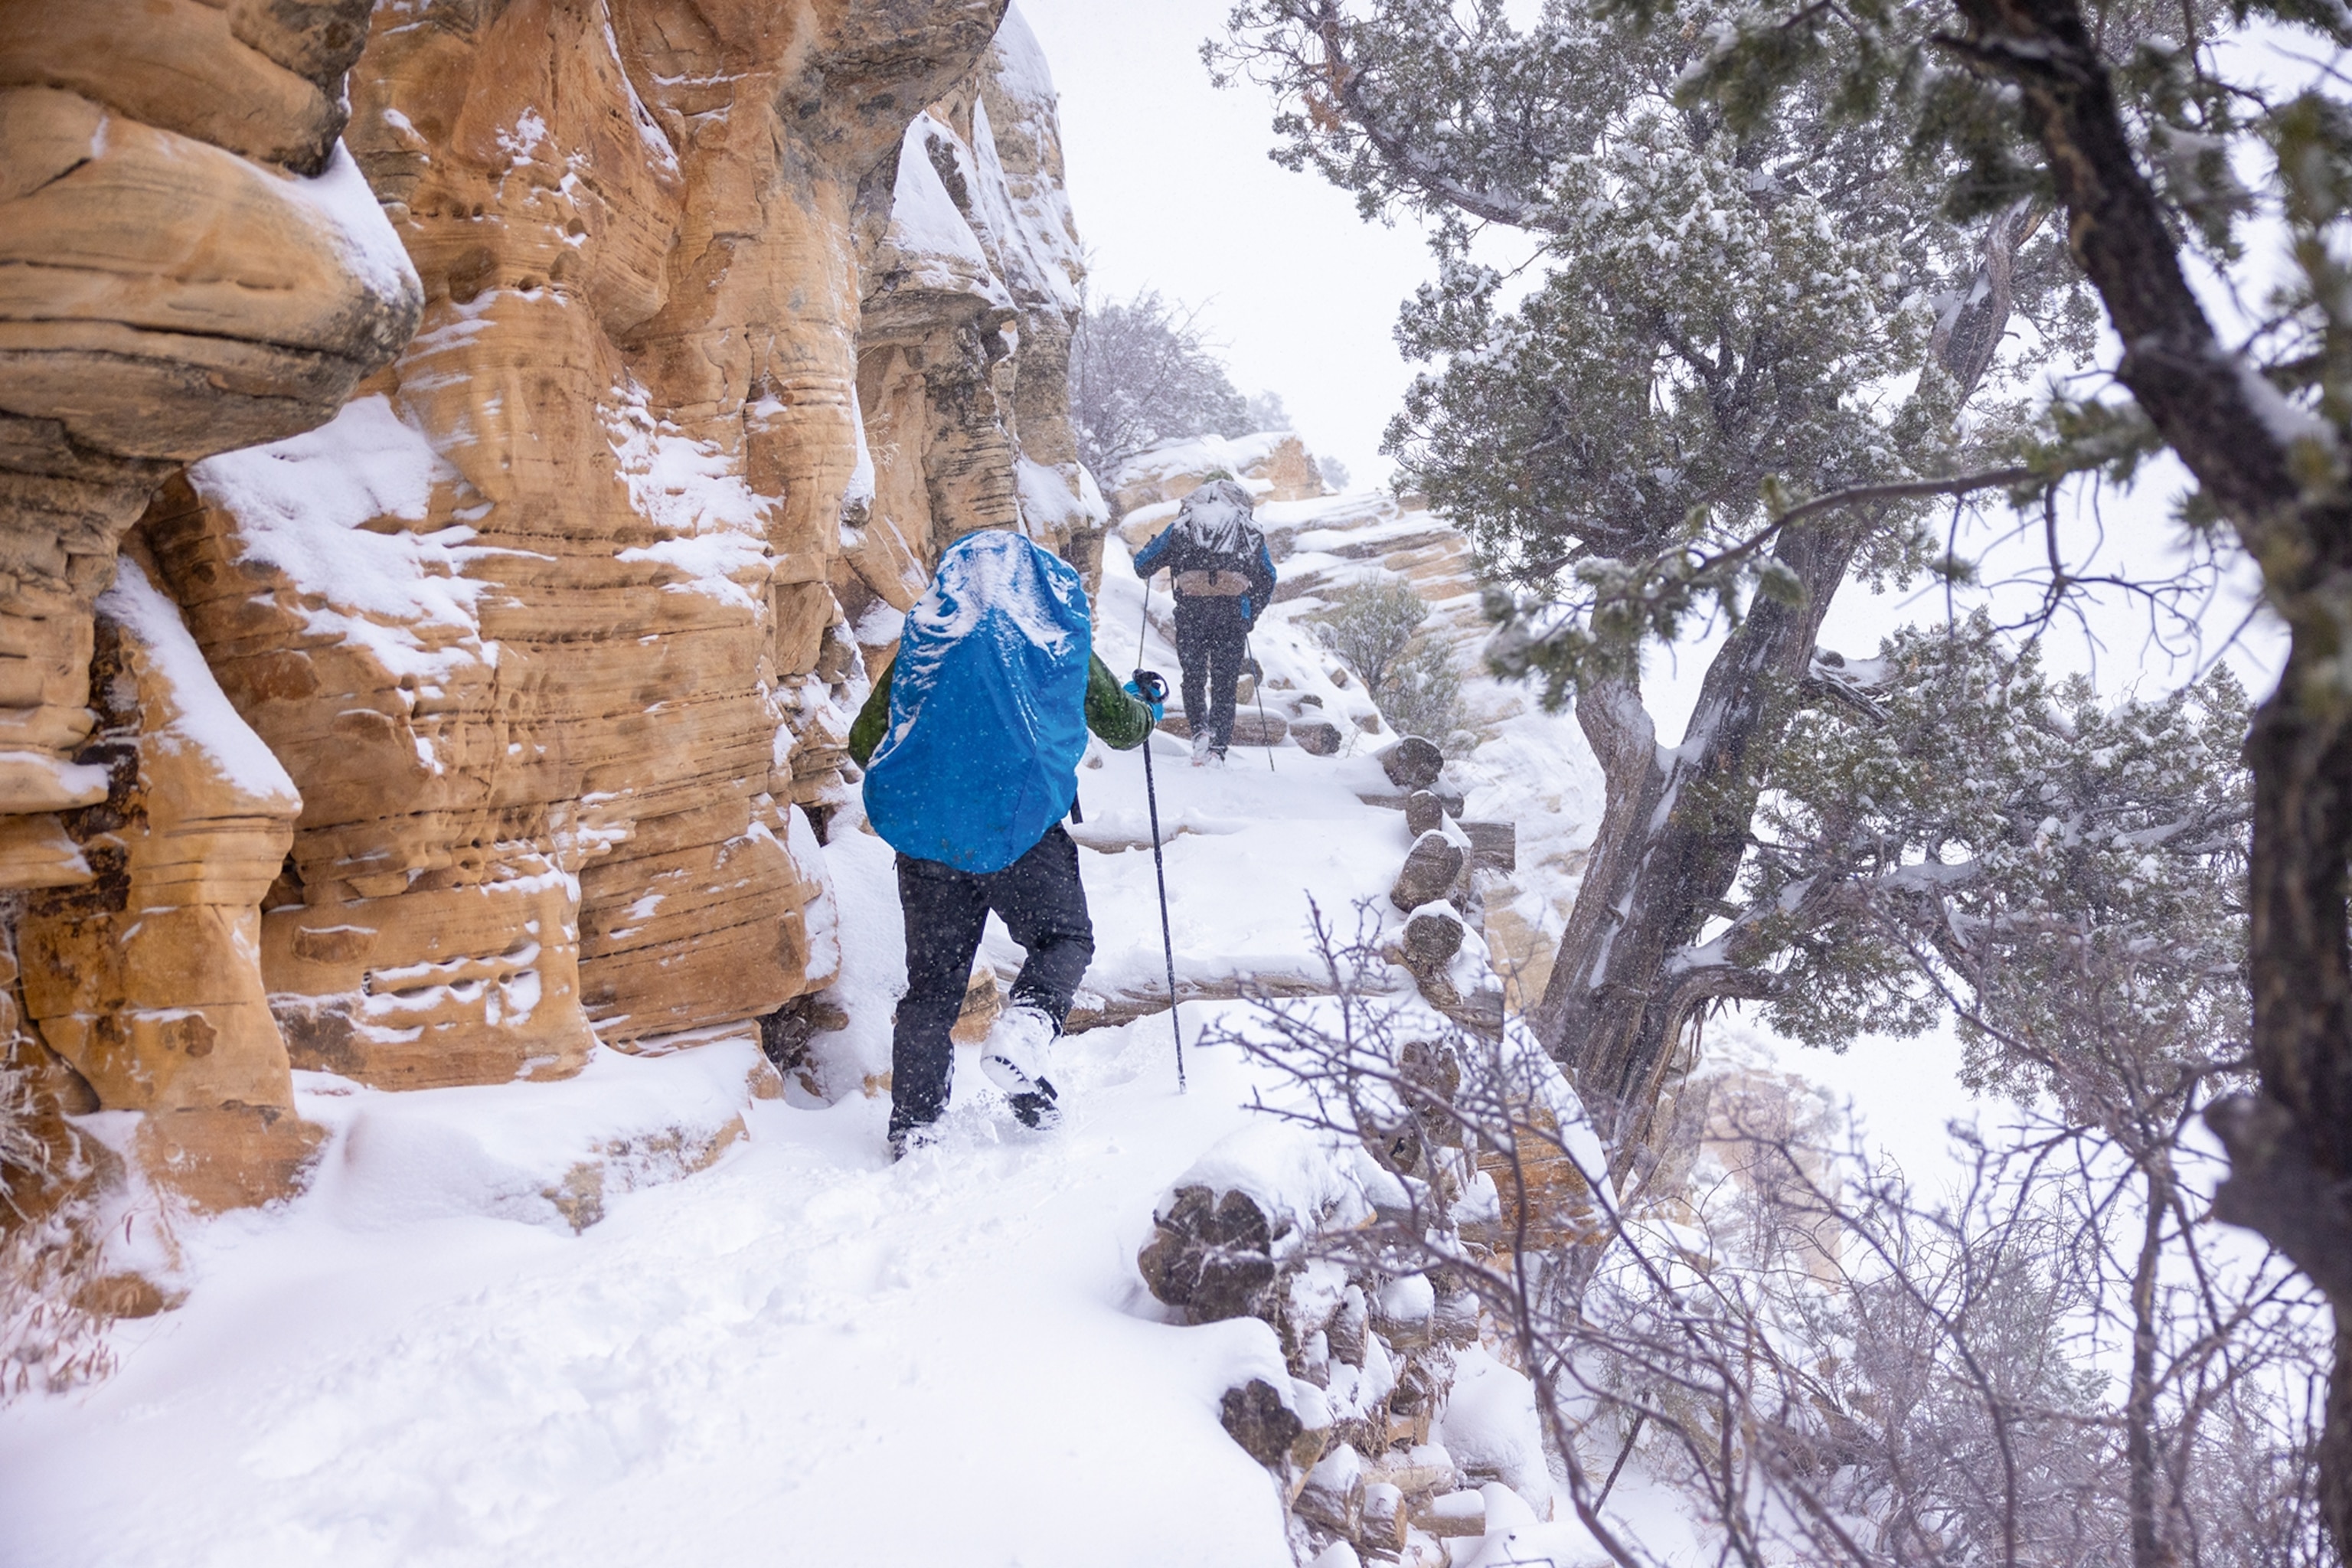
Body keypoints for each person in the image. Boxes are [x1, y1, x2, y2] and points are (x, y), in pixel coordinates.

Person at [847, 528, 1158, 1160]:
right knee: (1063, 940)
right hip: (1023, 836)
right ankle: (1024, 1031)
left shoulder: (930, 636)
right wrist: (1145, 701)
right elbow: (1123, 729)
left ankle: (915, 1126)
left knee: (932, 990)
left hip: (931, 843)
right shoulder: (1052, 637)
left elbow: (863, 742)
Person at [1131, 477, 1277, 765]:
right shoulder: (1247, 530)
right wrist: (1250, 613)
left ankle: (1200, 734)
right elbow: (1268, 577)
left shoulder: (1182, 527)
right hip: (1232, 614)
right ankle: (1218, 749)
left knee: (1193, 679)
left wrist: (1157, 547)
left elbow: (1142, 566)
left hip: (1191, 613)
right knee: (1225, 684)